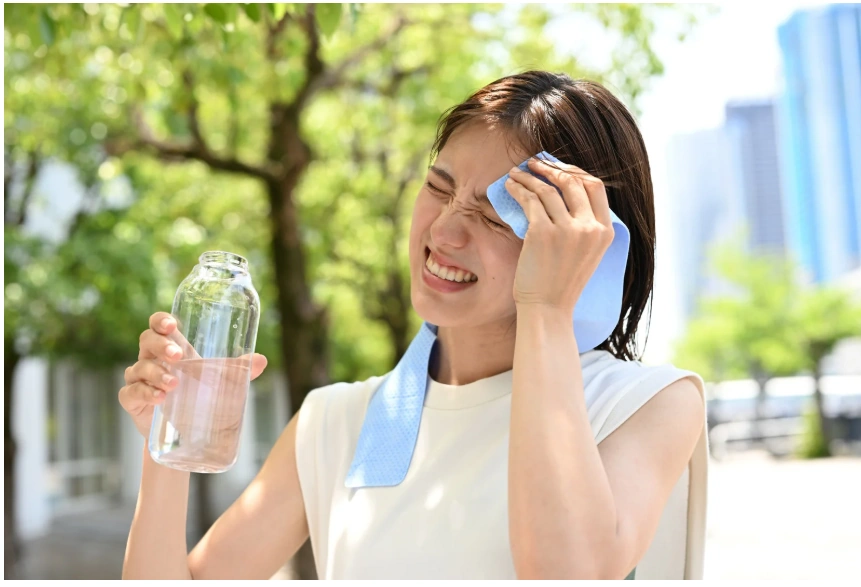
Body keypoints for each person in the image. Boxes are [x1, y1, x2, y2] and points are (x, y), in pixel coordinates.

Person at [119, 71, 708, 580]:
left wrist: (547, 309)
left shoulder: (646, 405)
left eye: (496, 216)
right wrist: (165, 437)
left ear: (585, 244)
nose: (444, 231)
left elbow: (563, 574)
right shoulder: (334, 423)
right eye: (437, 188)